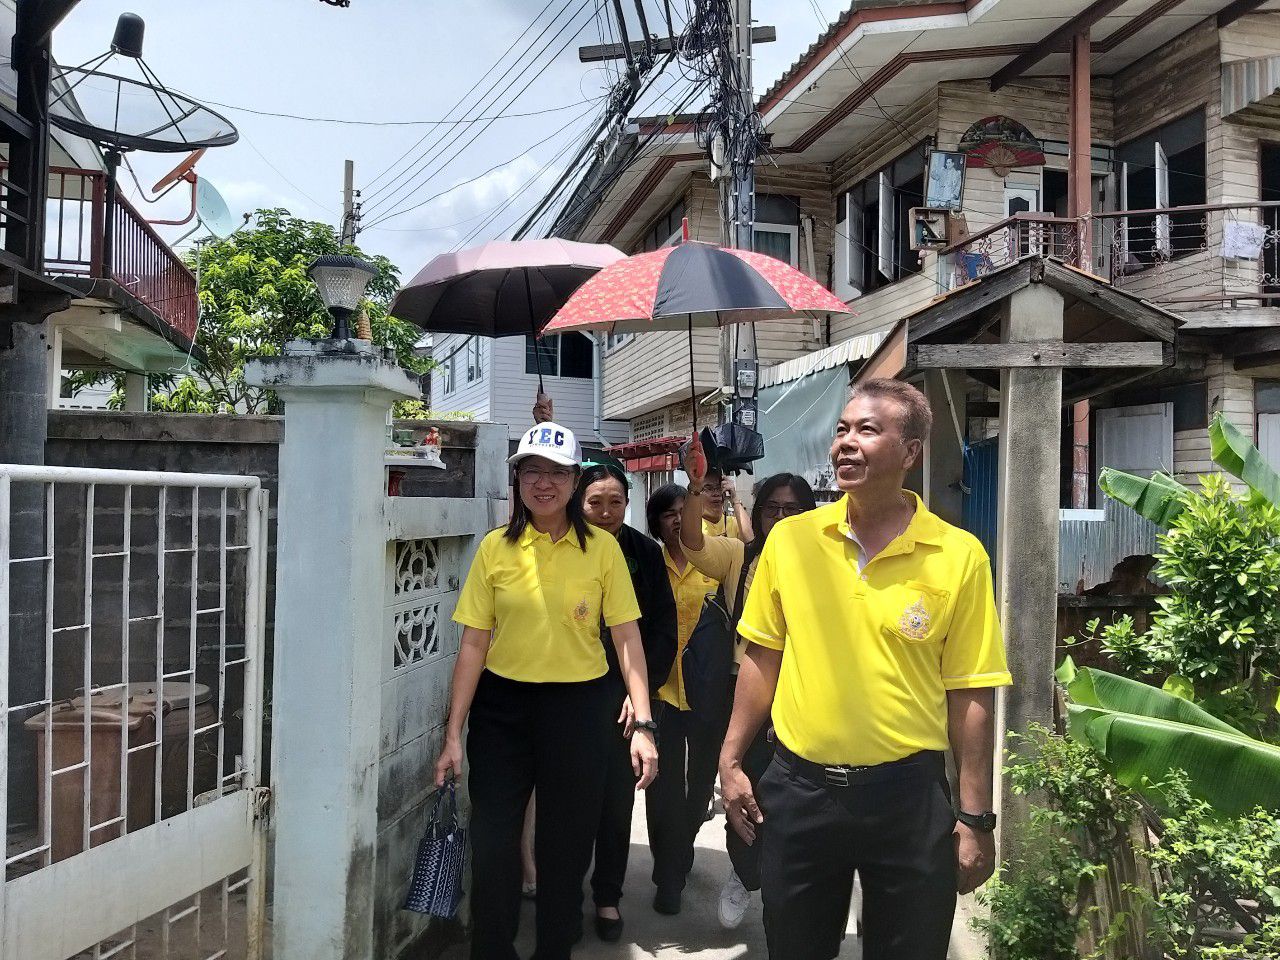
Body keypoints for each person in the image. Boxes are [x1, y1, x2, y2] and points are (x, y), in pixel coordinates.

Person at [719, 379, 1012, 960]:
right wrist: (729, 760)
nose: (847, 443)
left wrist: (976, 817)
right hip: (799, 789)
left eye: (868, 430)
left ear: (911, 451)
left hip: (907, 798)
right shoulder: (791, 541)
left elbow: (972, 690)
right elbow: (761, 657)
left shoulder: (958, 556)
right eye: (842, 429)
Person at [433, 423, 659, 960]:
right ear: (517, 479)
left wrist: (644, 724)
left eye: (557, 472)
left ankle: (555, 946)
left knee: (565, 845)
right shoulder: (495, 548)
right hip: (502, 711)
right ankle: (492, 948)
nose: (544, 482)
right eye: (533, 470)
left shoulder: (603, 550)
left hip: (579, 710)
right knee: (493, 842)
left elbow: (627, 637)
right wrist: (453, 734)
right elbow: (473, 644)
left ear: (574, 482)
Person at [678, 471, 817, 931]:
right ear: (757, 515)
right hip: (746, 690)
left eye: (792, 510)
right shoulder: (741, 555)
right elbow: (694, 541)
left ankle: (791, 885)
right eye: (772, 508)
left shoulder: (827, 564)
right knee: (744, 784)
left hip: (804, 692)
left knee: (796, 796)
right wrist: (697, 486)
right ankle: (742, 871)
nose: (781, 518)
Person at [577, 459, 678, 942]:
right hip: (569, 694)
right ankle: (560, 889)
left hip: (626, 701)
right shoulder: (564, 549)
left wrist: (639, 697)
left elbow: (661, 632)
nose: (606, 512)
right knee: (569, 802)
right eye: (595, 503)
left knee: (617, 803)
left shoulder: (644, 553)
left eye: (615, 502)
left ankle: (607, 896)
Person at [644, 483, 722, 915]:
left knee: (698, 791)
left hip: (708, 696)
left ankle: (683, 845)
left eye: (684, 510)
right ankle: (667, 875)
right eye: (669, 513)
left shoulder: (716, 559)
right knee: (663, 789)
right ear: (656, 522)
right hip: (661, 694)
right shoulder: (650, 565)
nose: (678, 519)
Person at [700, 466, 752, 542]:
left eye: (719, 488)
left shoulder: (735, 522)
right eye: (709, 489)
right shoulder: (694, 526)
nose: (716, 493)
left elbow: (750, 540)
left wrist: (734, 498)